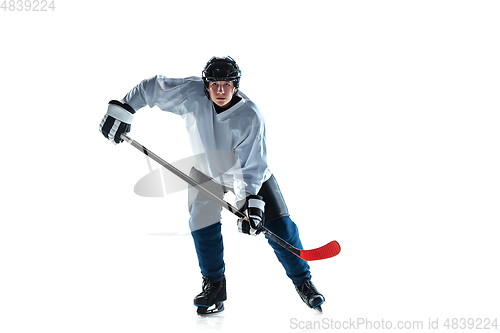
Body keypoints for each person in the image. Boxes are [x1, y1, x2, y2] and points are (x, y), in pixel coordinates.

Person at [99, 56, 325, 314]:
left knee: (281, 228)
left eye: (226, 84)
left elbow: (251, 169)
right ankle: (215, 285)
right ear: (206, 85)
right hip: (206, 172)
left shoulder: (251, 117)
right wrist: (125, 109)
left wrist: (249, 206)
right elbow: (152, 87)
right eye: (214, 84)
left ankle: (303, 282)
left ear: (236, 86)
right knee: (201, 224)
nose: (220, 90)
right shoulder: (191, 94)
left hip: (249, 176)